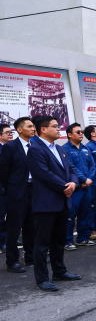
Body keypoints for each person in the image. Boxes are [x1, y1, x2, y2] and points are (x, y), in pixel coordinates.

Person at [27, 115, 81, 292]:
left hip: (63, 200)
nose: (59, 129)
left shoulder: (60, 149)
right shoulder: (35, 149)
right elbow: (43, 174)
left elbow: (71, 170)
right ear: (43, 129)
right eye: (55, 126)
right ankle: (42, 278)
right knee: (42, 243)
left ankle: (59, 271)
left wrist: (73, 183)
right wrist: (64, 186)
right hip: (46, 203)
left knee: (58, 240)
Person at [0, 117, 35, 273]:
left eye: (33, 126)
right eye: (29, 126)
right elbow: (3, 171)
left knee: (31, 225)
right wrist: (10, 189)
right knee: (14, 228)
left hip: (33, 190)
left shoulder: (35, 145)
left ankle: (30, 256)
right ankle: (12, 261)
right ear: (20, 129)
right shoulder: (11, 147)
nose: (33, 128)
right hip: (16, 192)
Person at [63, 123, 96, 250]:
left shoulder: (85, 148)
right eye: (78, 132)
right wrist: (83, 179)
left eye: (81, 132)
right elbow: (71, 167)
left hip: (87, 187)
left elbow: (92, 166)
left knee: (85, 213)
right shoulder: (65, 149)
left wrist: (89, 179)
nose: (81, 134)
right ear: (69, 135)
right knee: (70, 215)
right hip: (75, 188)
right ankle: (67, 241)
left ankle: (83, 238)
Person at [0, 123, 13, 254]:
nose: (10, 134)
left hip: (12, 188)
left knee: (12, 215)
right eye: (7, 132)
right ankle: (2, 242)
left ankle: (9, 238)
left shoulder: (11, 148)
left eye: (11, 132)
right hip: (1, 189)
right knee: (1, 216)